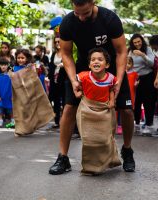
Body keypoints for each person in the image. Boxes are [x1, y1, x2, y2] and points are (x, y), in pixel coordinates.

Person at [49, 0, 135, 175]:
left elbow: (121, 51)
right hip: (83, 69)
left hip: (111, 68)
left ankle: (127, 150)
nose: (81, 17)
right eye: (77, 13)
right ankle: (63, 157)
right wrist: (73, 79)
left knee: (126, 111)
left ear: (93, 2)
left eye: (85, 13)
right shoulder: (68, 22)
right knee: (68, 107)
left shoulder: (110, 19)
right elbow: (65, 53)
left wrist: (118, 81)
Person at [76, 47, 121, 175]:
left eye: (100, 59)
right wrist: (78, 92)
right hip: (87, 110)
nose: (96, 62)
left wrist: (112, 101)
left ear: (107, 64)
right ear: (89, 64)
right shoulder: (83, 76)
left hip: (104, 111)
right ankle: (90, 167)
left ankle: (107, 161)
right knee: (89, 140)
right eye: (93, 59)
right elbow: (77, 86)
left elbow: (112, 89)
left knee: (104, 139)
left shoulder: (111, 78)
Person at [128, 33, 156, 134]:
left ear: (142, 41)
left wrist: (143, 55)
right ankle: (136, 123)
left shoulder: (147, 49)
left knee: (148, 102)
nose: (137, 44)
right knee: (136, 101)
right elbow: (128, 64)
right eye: (135, 42)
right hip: (134, 78)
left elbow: (152, 64)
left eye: (139, 41)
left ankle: (148, 124)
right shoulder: (130, 51)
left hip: (147, 77)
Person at [48, 37, 66, 128]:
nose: (57, 43)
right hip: (54, 80)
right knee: (56, 101)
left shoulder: (66, 53)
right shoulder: (54, 54)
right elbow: (51, 65)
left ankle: (64, 121)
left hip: (63, 80)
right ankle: (56, 121)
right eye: (56, 42)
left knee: (65, 101)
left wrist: (64, 65)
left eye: (59, 41)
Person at [0, 57, 13, 127]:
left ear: (8, 65)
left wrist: (12, 95)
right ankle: (1, 120)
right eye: (2, 65)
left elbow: (13, 85)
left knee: (10, 109)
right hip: (1, 95)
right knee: (0, 109)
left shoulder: (10, 74)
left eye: (5, 65)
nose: (3, 66)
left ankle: (12, 119)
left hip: (9, 95)